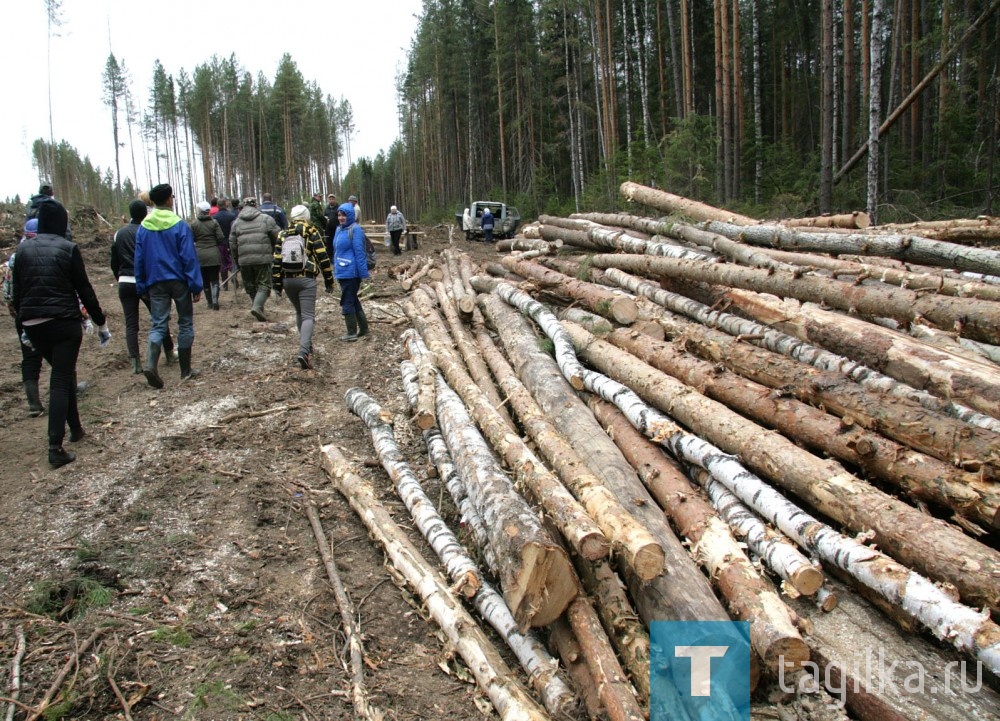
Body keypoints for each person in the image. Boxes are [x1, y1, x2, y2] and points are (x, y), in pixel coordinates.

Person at [12, 203, 109, 468]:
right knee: (60, 379)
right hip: (64, 323)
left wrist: (22, 326)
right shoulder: (68, 249)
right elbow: (84, 289)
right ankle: (55, 446)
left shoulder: (21, 251)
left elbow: (18, 292)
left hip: (33, 323)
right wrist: (100, 321)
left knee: (64, 374)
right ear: (61, 223)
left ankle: (76, 428)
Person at [134, 183, 203, 388]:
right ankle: (185, 370)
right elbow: (188, 257)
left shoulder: (144, 227)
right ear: (168, 200)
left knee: (158, 323)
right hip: (179, 280)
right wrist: (195, 285)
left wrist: (141, 286)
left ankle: (150, 364)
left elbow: (138, 259)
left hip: (155, 282)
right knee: (185, 322)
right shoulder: (179, 224)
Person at [111, 200, 178, 374]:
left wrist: (119, 277)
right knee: (159, 318)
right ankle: (170, 353)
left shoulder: (119, 233)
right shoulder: (147, 231)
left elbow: (114, 261)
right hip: (146, 282)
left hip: (124, 282)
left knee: (131, 323)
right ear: (145, 214)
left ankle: (136, 363)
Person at [272, 205, 334, 369]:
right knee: (308, 316)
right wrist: (329, 280)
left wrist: (277, 285)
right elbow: (323, 257)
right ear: (306, 216)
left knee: (299, 312)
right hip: (306, 279)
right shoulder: (312, 231)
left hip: (287, 280)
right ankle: (304, 351)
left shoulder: (283, 233)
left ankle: (306, 345)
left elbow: (277, 260)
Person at [4, 219, 46, 415]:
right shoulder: (50, 251)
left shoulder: (14, 258)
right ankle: (67, 390)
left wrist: (17, 314)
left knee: (29, 356)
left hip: (25, 314)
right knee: (60, 354)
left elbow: (8, 292)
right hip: (51, 312)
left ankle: (33, 402)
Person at [230, 197, 280, 322]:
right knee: (264, 284)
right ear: (255, 205)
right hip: (263, 258)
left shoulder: (236, 223)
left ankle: (258, 309)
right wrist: (274, 251)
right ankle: (257, 307)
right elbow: (278, 236)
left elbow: (232, 244)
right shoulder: (266, 219)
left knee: (251, 286)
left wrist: (237, 260)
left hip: (244, 259)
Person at [331, 202, 370, 342]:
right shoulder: (339, 229)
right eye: (339, 215)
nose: (341, 218)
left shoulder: (356, 229)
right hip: (342, 270)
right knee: (352, 299)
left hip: (351, 272)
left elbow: (359, 252)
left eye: (344, 215)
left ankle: (351, 332)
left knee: (347, 300)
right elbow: (337, 251)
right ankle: (364, 328)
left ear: (350, 216)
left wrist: (363, 274)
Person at [189, 200, 225, 310]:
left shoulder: (194, 224)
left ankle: (209, 303)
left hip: (200, 255)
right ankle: (215, 301)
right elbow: (220, 237)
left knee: (205, 280)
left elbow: (191, 239)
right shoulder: (214, 223)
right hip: (214, 254)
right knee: (214, 279)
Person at [213, 198, 238, 290]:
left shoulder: (215, 217)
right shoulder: (231, 216)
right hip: (230, 242)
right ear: (225, 205)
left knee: (223, 263)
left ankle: (225, 285)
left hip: (220, 243)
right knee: (232, 261)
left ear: (218, 206)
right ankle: (234, 277)